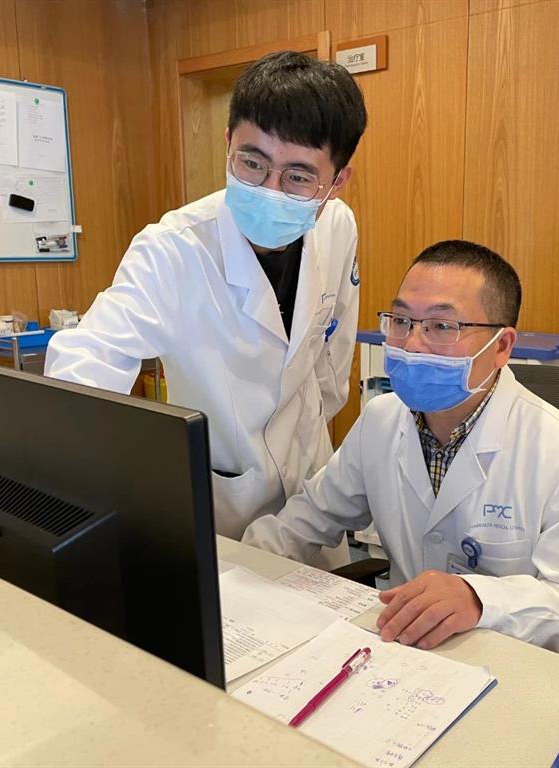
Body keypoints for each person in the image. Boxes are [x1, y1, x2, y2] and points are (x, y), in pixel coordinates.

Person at [45, 52, 367, 565]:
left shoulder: (337, 226)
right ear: (228, 142)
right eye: (252, 162)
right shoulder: (171, 249)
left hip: (310, 495)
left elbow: (334, 346)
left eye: (298, 177)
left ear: (337, 181)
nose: (269, 189)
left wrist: (315, 424)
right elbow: (87, 362)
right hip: (226, 508)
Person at [243, 240, 559, 659]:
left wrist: (481, 600)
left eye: (442, 327)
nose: (411, 344)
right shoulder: (380, 420)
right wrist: (232, 572)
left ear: (501, 346)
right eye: (402, 321)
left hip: (516, 663)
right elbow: (306, 520)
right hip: (406, 655)